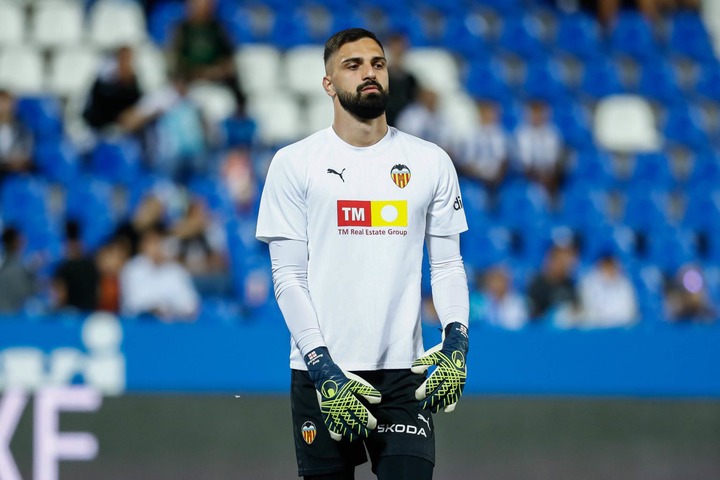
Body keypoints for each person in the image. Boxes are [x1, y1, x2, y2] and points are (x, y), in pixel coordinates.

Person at [256, 28, 470, 480]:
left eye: (377, 63)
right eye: (352, 65)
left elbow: (448, 264)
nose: (368, 72)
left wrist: (456, 341)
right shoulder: (295, 163)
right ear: (328, 83)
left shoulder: (430, 162)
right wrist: (322, 367)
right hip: (323, 372)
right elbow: (288, 277)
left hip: (402, 372)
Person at [169, 0, 245, 109]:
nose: (201, 7)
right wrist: (194, 75)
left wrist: (215, 72)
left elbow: (230, 63)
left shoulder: (219, 29)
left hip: (216, 87)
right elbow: (175, 62)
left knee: (221, 103)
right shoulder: (180, 31)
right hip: (188, 86)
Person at [120, 223, 199, 321]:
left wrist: (170, 310)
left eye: (159, 242)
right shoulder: (132, 269)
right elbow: (133, 303)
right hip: (141, 326)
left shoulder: (176, 270)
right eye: (152, 243)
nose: (156, 247)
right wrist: (156, 308)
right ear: (142, 245)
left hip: (173, 326)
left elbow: (190, 304)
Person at [454, 100, 509, 201]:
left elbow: (503, 160)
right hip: (475, 180)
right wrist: (480, 176)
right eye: (485, 112)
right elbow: (466, 163)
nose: (488, 116)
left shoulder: (500, 134)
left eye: (490, 113)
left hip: (496, 181)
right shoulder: (470, 135)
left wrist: (496, 177)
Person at [82, 46, 144, 134]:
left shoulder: (134, 82)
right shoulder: (104, 82)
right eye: (123, 59)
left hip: (124, 130)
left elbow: (136, 106)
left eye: (128, 59)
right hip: (99, 127)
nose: (126, 63)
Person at [514, 99, 564, 199]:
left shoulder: (552, 133)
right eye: (534, 113)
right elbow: (523, 163)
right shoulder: (521, 134)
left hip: (550, 177)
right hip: (527, 177)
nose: (537, 117)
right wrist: (539, 177)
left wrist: (549, 176)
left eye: (540, 113)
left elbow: (555, 160)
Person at [577, 251, 638, 328]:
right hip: (596, 329)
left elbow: (630, 311)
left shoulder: (625, 285)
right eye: (607, 266)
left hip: (620, 330)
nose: (610, 270)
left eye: (612, 266)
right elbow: (588, 312)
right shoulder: (587, 283)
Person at [51, 221, 100, 312]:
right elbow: (98, 293)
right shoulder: (92, 265)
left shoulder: (63, 267)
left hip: (70, 315)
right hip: (88, 313)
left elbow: (61, 296)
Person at [527, 241, 579, 321]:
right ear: (552, 260)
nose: (566, 265)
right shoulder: (537, 285)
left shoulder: (569, 284)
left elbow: (576, 309)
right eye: (561, 260)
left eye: (568, 261)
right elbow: (533, 316)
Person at [470, 265, 528, 330]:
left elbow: (518, 326)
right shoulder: (479, 299)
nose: (498, 284)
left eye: (501, 281)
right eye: (494, 281)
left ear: (507, 283)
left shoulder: (518, 301)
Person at [384, 32, 419, 126]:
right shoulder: (381, 75)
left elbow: (414, 101)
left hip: (406, 121)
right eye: (395, 47)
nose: (398, 50)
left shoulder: (411, 78)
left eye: (401, 47)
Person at [0, 90, 34, 180]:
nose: (3, 106)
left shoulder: (23, 127)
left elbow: (27, 150)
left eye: (5, 102)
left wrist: (17, 160)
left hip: (18, 170)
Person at [0, 227, 35, 313]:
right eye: (19, 240)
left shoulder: (6, 266)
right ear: (15, 242)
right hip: (12, 319)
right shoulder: (18, 269)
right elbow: (28, 294)